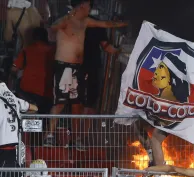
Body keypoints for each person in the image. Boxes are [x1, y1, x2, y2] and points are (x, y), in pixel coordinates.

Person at [43, 0, 127, 151]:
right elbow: (52, 29)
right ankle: (49, 135)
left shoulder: (86, 21)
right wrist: (67, 18)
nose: (90, 8)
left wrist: (121, 24)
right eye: (88, 5)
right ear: (82, 5)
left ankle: (76, 138)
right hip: (64, 66)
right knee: (60, 103)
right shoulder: (66, 20)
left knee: (77, 105)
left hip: (78, 68)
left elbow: (106, 25)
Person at [81, 3, 120, 114]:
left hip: (78, 63)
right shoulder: (97, 24)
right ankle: (83, 127)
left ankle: (79, 127)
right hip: (90, 64)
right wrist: (119, 50)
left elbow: (106, 46)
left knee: (80, 98)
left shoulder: (71, 22)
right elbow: (106, 47)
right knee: (90, 98)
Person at [11, 27, 55, 114]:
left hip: (28, 91)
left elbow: (14, 69)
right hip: (48, 91)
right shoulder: (53, 51)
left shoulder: (27, 50)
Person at [0, 83, 37, 170]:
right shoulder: (14, 99)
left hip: (2, 141)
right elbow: (35, 108)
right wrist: (21, 114)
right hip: (12, 142)